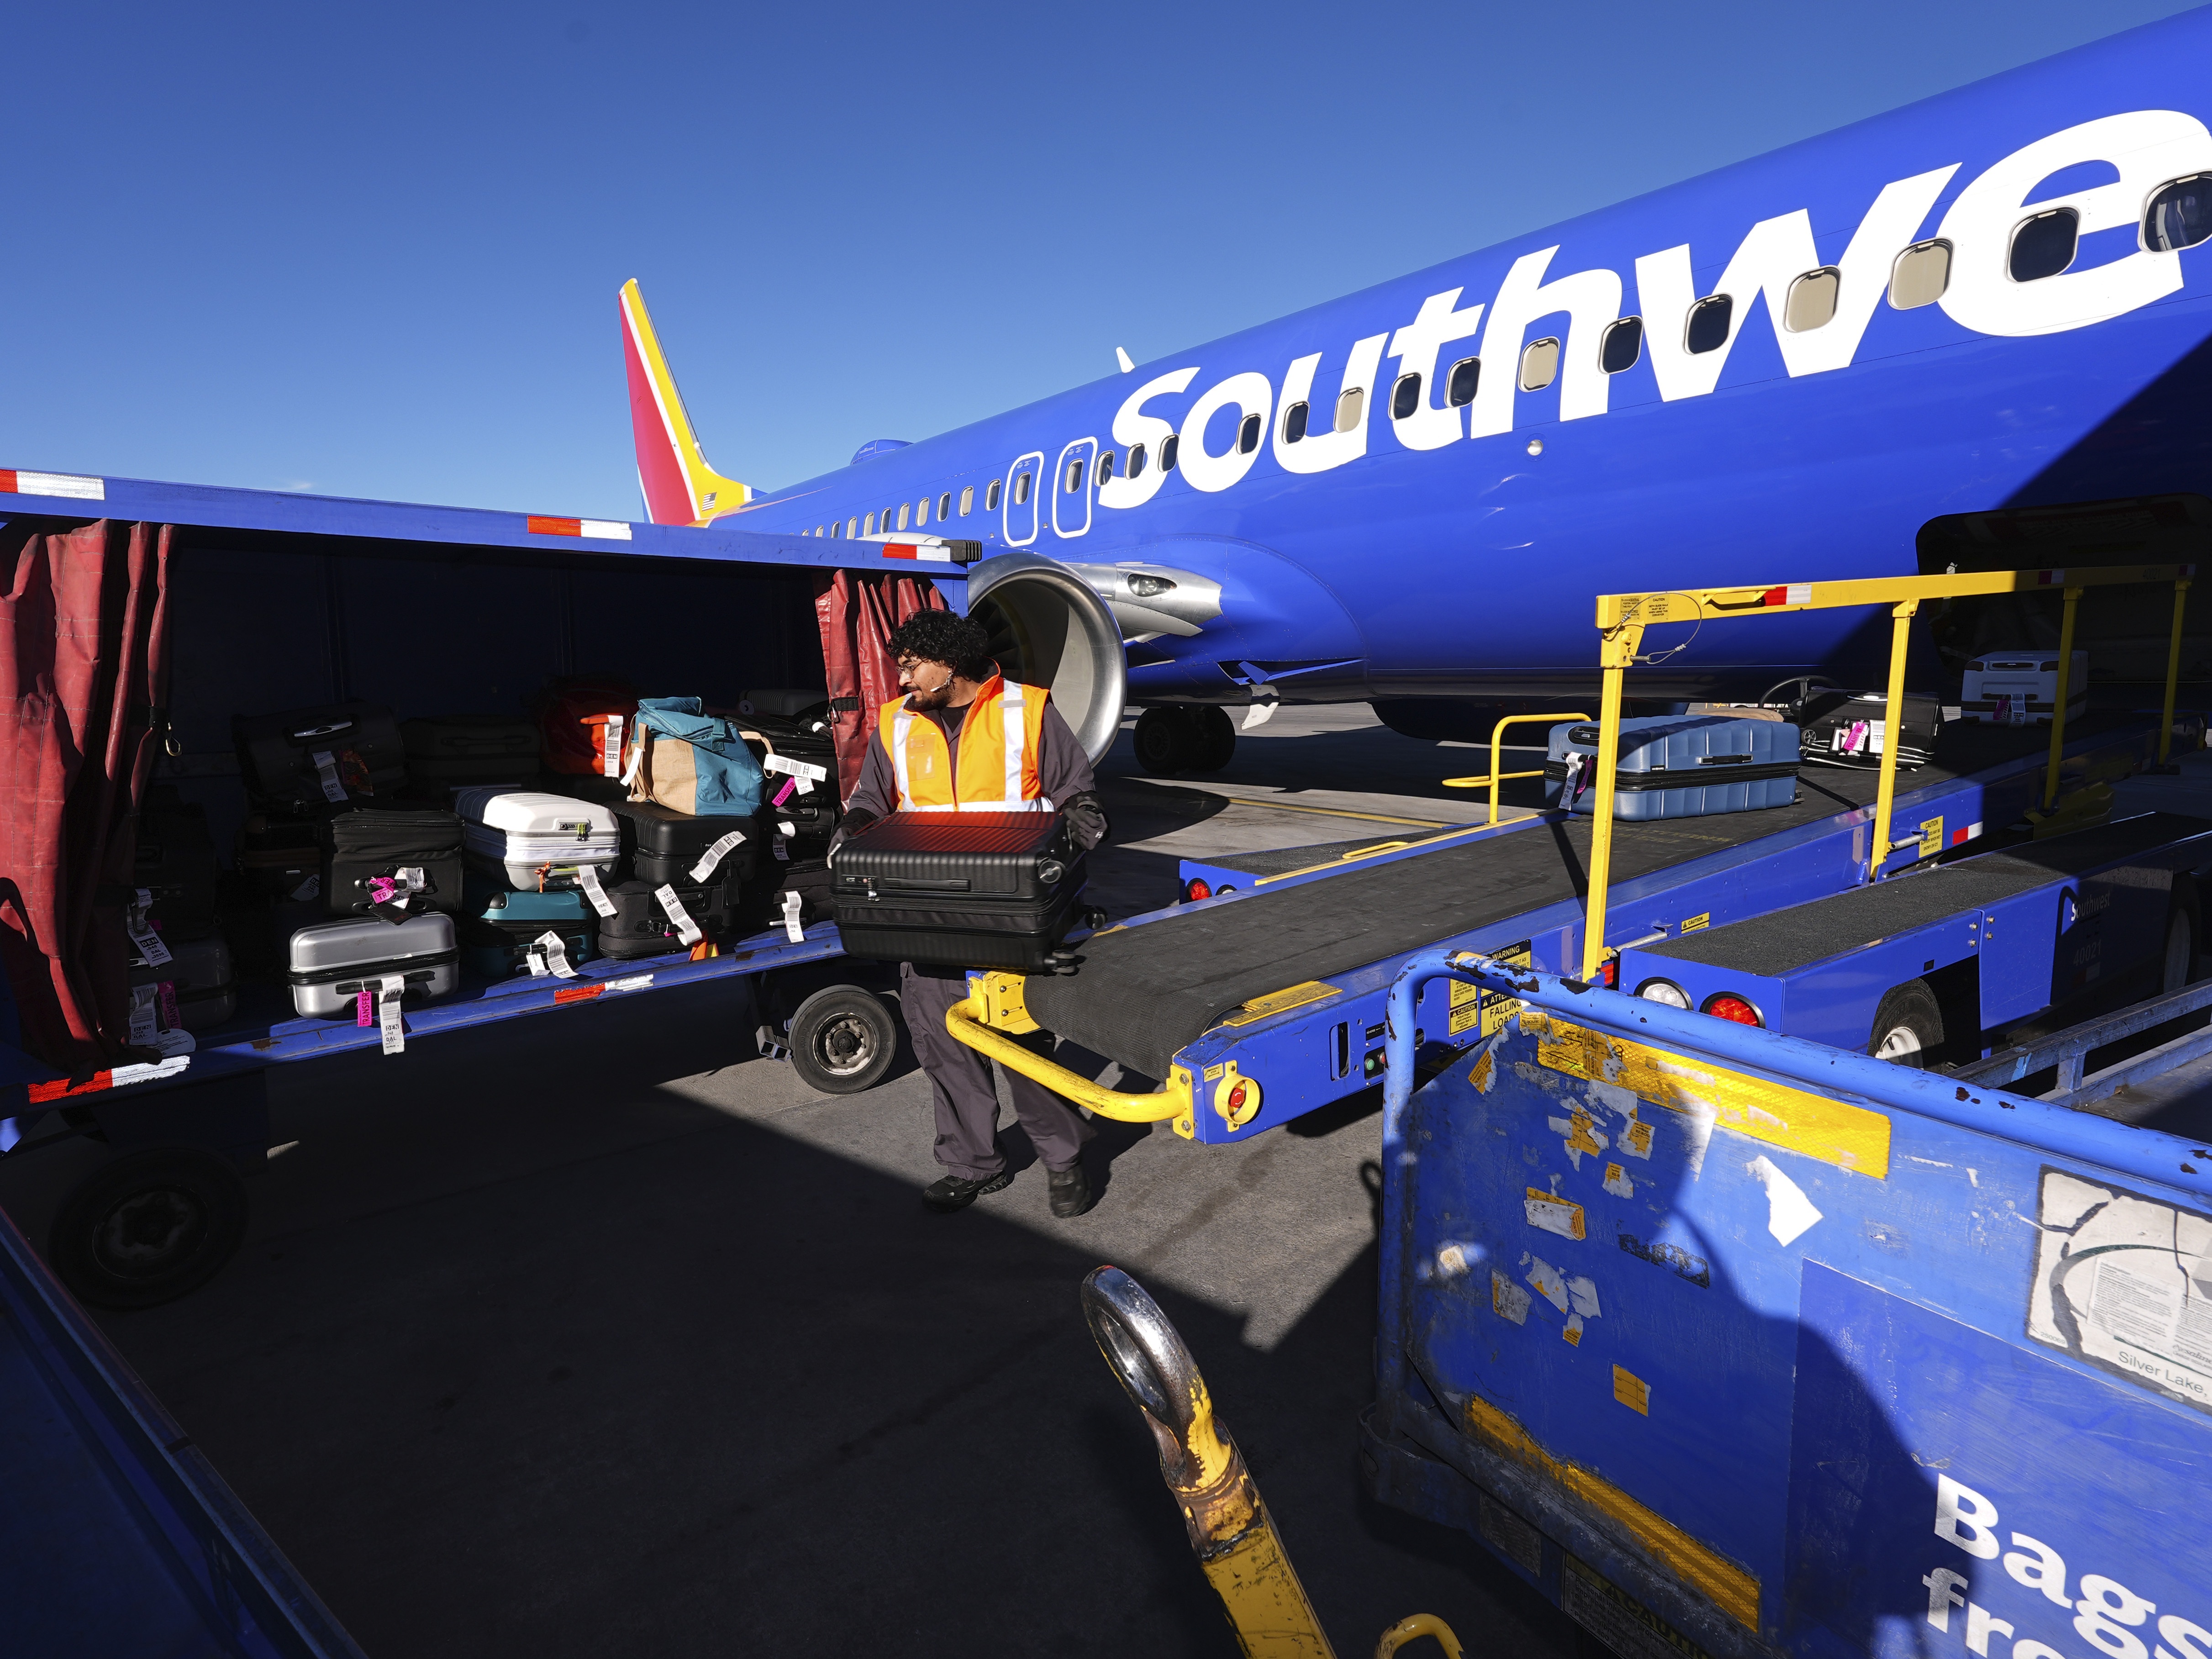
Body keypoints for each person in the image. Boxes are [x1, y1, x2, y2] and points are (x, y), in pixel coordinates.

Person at [832, 610, 1110, 1218]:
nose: (902, 680)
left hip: (1006, 912)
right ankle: (973, 1164)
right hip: (926, 910)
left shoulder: (1026, 710)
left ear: (947, 662)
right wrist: (852, 826)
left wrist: (1082, 821)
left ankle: (1063, 1160)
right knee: (943, 1040)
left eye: (910, 667)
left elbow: (1072, 789)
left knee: (1021, 1042)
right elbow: (874, 797)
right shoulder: (897, 723)